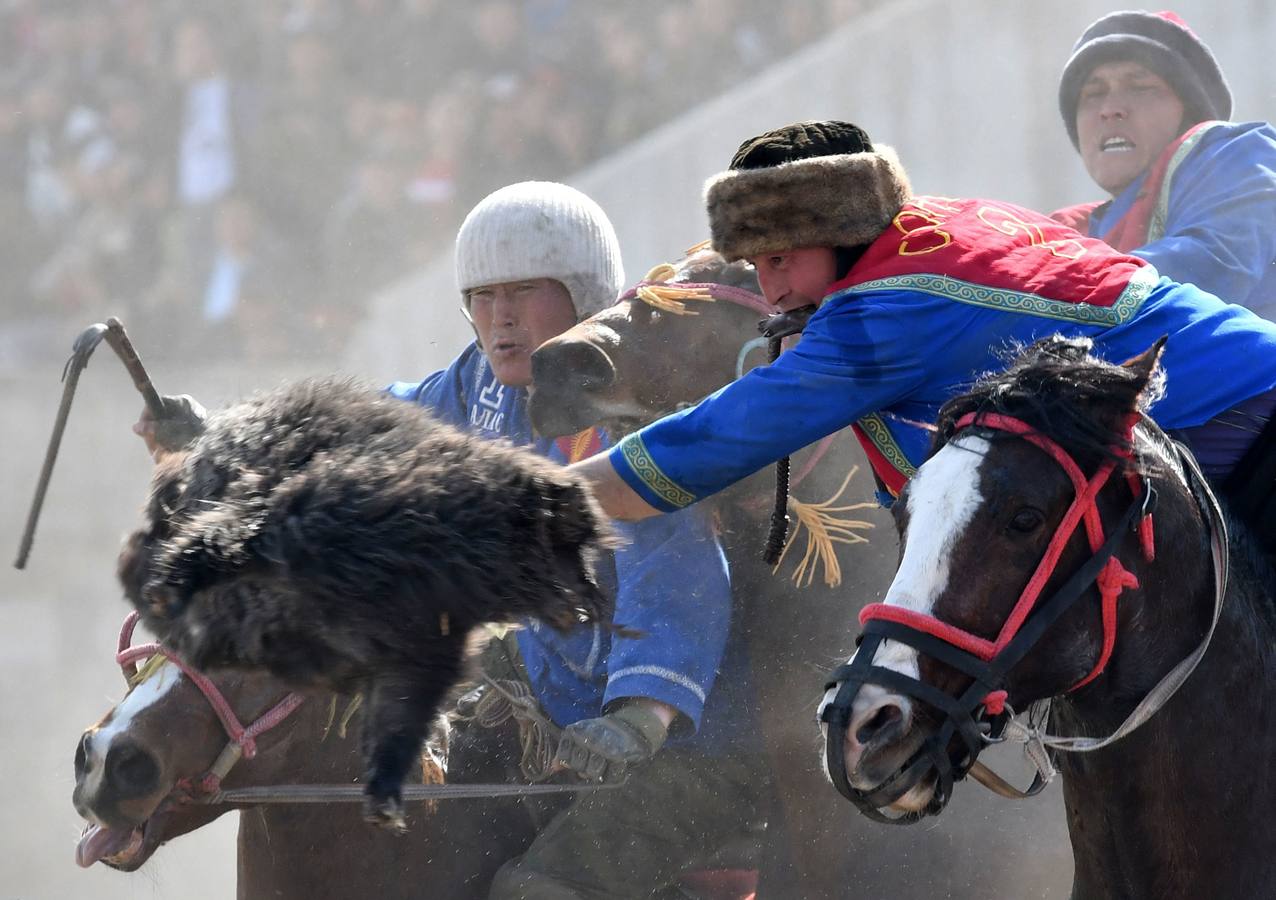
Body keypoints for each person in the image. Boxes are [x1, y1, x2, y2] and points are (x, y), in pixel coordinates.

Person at [138, 181, 764, 900]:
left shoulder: (628, 411)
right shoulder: (474, 389)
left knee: (542, 893)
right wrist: (220, 439)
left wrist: (642, 716)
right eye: (482, 297)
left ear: (583, 291)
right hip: (548, 710)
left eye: (524, 291)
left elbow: (675, 571)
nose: (500, 318)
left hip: (681, 739)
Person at [569, 121, 1276, 555]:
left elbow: (722, 434)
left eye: (782, 256)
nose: (771, 286)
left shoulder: (881, 314)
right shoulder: (947, 221)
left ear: (842, 230)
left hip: (1239, 425)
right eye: (755, 262)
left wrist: (546, 500)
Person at [1052, 10, 1276, 320]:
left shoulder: (1241, 155)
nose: (1110, 109)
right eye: (1093, 93)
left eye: (1141, 87)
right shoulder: (1067, 233)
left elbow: (1214, 264)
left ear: (1189, 112)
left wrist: (1057, 293)